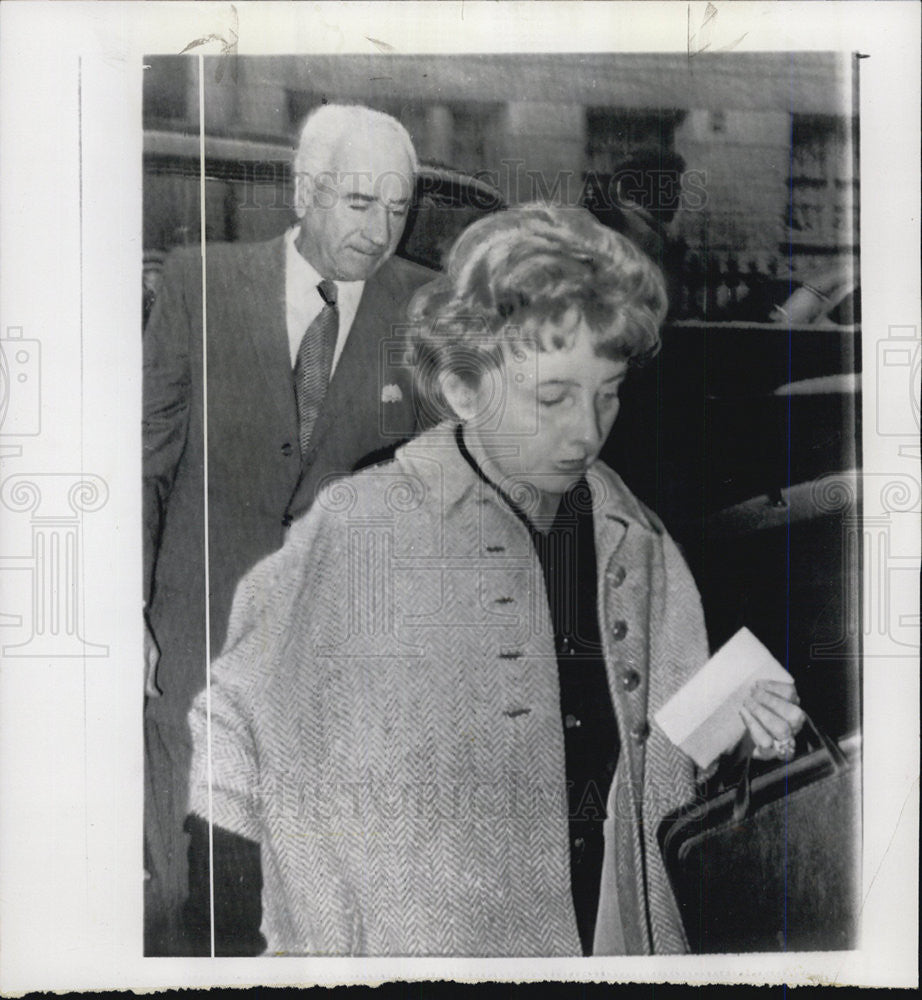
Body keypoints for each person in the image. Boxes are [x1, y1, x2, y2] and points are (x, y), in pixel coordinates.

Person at [185, 204, 805, 956]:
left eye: (606, 393)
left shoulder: (635, 542)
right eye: (552, 397)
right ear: (464, 387)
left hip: (611, 942)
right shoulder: (366, 527)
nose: (586, 430)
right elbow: (236, 736)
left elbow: (672, 758)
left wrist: (747, 732)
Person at [142, 103, 434, 954]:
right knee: (187, 912)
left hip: (333, 672)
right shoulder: (200, 284)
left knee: (304, 917)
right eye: (358, 202)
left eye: (398, 209)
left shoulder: (425, 307)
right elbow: (146, 464)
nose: (381, 231)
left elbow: (442, 491)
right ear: (305, 191)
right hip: (195, 646)